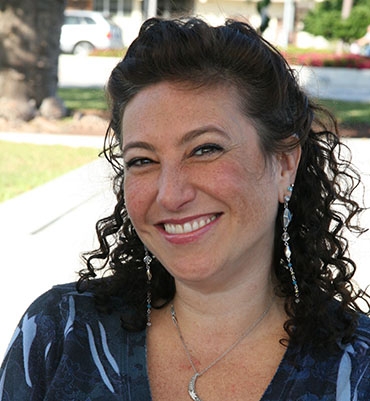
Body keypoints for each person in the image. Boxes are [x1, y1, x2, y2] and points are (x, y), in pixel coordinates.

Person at [1, 17, 370, 401]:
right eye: (143, 160)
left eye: (204, 150)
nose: (170, 195)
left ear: (284, 164)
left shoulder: (358, 369)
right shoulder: (58, 334)